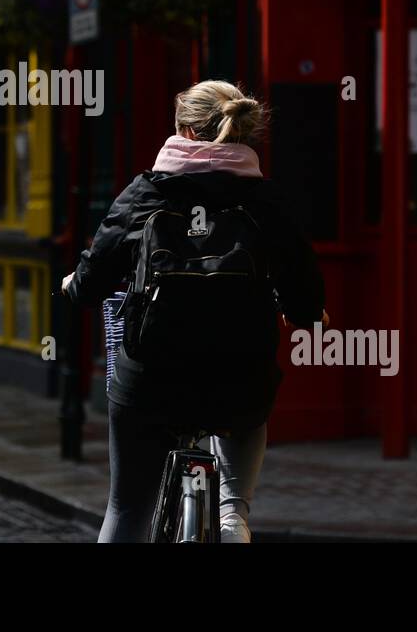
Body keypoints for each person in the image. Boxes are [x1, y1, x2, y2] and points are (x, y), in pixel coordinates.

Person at [61, 79, 327, 543]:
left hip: (152, 381)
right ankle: (233, 517)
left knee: (125, 508)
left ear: (183, 127)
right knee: (248, 401)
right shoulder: (266, 201)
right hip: (239, 376)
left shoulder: (146, 193)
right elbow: (305, 285)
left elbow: (92, 279)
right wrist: (306, 313)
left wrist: (74, 287)